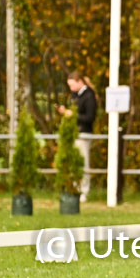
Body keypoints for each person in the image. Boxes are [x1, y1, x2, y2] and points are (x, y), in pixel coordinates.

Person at [58, 72, 97, 202]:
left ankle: (84, 191)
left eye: (72, 85)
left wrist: (72, 115)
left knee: (83, 163)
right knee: (73, 163)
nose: (71, 88)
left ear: (80, 81)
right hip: (73, 133)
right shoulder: (75, 95)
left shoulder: (89, 95)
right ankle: (74, 188)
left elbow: (90, 117)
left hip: (83, 134)